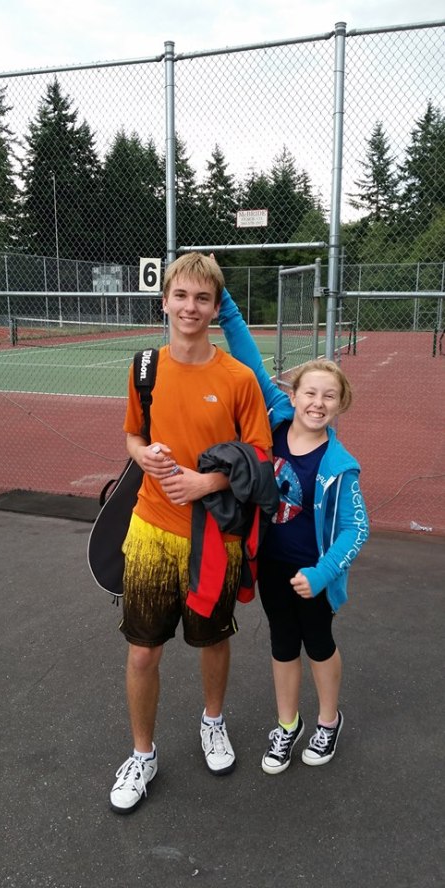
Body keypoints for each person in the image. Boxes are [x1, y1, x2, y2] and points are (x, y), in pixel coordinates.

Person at [109, 253, 273, 814]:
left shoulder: (238, 378)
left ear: (215, 306)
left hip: (215, 539)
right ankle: (142, 754)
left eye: (203, 298)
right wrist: (144, 456)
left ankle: (213, 722)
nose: (190, 307)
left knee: (213, 642)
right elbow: (133, 436)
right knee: (142, 654)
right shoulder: (144, 369)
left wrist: (207, 482)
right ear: (165, 301)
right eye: (181, 296)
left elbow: (260, 456)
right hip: (151, 531)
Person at [218, 284, 369, 774]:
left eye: (329, 396)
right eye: (310, 393)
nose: (318, 403)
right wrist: (224, 305)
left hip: (314, 575)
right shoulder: (277, 422)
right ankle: (288, 725)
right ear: (293, 395)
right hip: (272, 566)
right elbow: (248, 359)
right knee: (282, 644)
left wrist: (323, 573)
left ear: (340, 405)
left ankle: (328, 721)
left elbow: (357, 529)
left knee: (318, 644)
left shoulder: (340, 465)